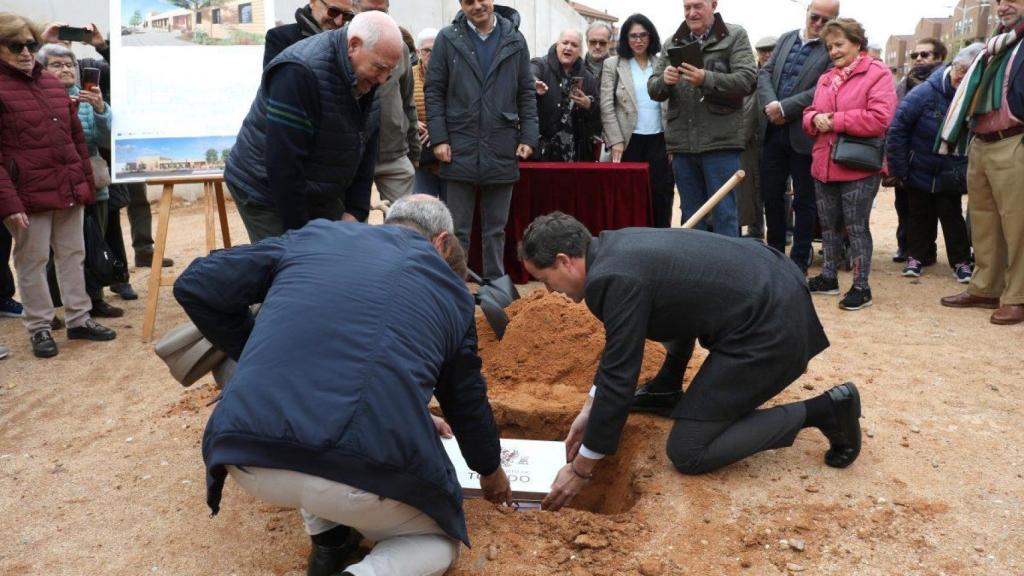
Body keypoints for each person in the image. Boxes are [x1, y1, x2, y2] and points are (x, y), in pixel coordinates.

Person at [174, 195, 510, 576]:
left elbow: (196, 283)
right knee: (438, 543)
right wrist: (489, 469)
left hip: (245, 454)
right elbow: (464, 401)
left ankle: (330, 542)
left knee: (318, 417)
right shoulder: (451, 294)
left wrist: (253, 351)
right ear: (441, 242)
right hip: (354, 472)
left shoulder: (315, 237)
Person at [517, 213, 861, 512]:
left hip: (771, 330)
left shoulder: (612, 278)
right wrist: (590, 409)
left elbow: (621, 373)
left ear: (564, 260)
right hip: (770, 290)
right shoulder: (612, 248)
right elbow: (626, 345)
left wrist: (581, 469)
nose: (549, 292)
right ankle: (667, 388)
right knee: (658, 309)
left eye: (545, 280)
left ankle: (825, 410)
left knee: (688, 449)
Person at [224, 11, 403, 242]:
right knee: (290, 263)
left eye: (390, 70)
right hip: (266, 188)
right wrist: (301, 238)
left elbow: (365, 146)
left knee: (336, 255)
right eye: (380, 68)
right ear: (354, 46)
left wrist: (355, 211)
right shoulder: (299, 72)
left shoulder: (370, 74)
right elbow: (283, 164)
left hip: (320, 186)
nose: (383, 80)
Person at [0, 13, 117, 358]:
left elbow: (76, 141)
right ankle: (39, 327)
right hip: (27, 196)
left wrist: (84, 184)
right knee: (31, 262)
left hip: (68, 189)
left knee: (73, 255)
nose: (25, 51)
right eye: (15, 45)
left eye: (31, 44)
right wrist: (9, 203)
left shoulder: (53, 85)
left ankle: (79, 320)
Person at [424, 0, 539, 280]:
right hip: (458, 145)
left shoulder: (515, 39)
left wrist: (529, 135)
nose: (477, 6)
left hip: (502, 142)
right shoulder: (447, 38)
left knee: (495, 230)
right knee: (458, 229)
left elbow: (526, 90)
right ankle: (455, 287)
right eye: (468, 1)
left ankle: (494, 288)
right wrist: (439, 138)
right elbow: (434, 90)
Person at [938, 0, 1024, 326]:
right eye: (999, 1)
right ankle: (986, 287)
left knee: (1018, 226)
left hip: (1014, 140)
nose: (1003, 6)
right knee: (983, 221)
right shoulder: (997, 45)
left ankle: (1017, 296)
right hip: (982, 142)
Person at [803, 18, 896, 311]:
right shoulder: (826, 77)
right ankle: (829, 277)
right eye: (830, 46)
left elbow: (880, 118)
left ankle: (861, 286)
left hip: (858, 164)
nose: (833, 51)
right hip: (825, 161)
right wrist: (812, 119)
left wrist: (833, 120)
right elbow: (809, 112)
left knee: (856, 227)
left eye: (839, 44)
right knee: (828, 225)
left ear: (857, 43)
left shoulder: (877, 73)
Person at [648, 0, 757, 237]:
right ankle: (695, 272)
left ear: (713, 5)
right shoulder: (671, 43)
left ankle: (728, 273)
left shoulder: (735, 35)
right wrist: (663, 81)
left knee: (725, 215)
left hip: (721, 143)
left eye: (698, 6)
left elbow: (747, 80)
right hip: (683, 145)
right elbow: (653, 90)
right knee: (691, 215)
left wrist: (706, 79)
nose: (691, 12)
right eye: (687, 7)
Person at [37, 43, 123, 319]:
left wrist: (100, 111)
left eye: (69, 65)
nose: (65, 70)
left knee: (93, 244)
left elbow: (107, 140)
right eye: (56, 65)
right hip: (53, 185)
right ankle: (54, 304)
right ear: (42, 69)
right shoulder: (36, 99)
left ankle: (94, 299)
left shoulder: (88, 99)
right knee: (53, 250)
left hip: (91, 183)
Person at [886, 44, 982, 283]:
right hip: (919, 167)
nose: (962, 77)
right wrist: (900, 169)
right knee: (918, 215)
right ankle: (915, 257)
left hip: (950, 171)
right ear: (954, 65)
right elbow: (898, 129)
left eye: (969, 73)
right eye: (961, 70)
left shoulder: (973, 94)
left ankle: (960, 262)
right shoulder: (924, 92)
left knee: (952, 216)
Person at [757, 0, 839, 271]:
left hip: (805, 135)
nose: (818, 24)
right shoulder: (786, 39)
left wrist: (784, 108)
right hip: (773, 133)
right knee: (771, 196)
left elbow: (821, 90)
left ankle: (799, 261)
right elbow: (765, 74)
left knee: (805, 200)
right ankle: (775, 257)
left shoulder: (831, 50)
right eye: (815, 17)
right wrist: (772, 106)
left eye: (825, 21)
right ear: (807, 13)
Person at [599, 14, 674, 228]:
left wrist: (673, 143)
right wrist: (616, 140)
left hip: (660, 140)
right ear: (625, 38)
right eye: (633, 36)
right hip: (628, 142)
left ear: (650, 37)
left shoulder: (662, 64)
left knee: (661, 195)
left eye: (643, 35)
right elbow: (606, 105)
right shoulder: (613, 64)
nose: (638, 40)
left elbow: (671, 104)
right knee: (629, 198)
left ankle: (661, 241)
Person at [890, 37, 948, 264]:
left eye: (925, 55)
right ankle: (906, 247)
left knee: (934, 208)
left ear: (939, 58)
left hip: (934, 156)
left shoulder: (946, 82)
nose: (919, 59)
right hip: (906, 154)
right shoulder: (904, 84)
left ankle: (928, 250)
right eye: (915, 55)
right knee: (904, 205)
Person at [357, 0, 420, 204]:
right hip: (353, 155)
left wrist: (414, 150)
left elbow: (407, 101)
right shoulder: (343, 45)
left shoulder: (399, 48)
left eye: (381, 11)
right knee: (352, 227)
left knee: (404, 226)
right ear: (355, 9)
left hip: (394, 154)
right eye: (368, 11)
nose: (376, 17)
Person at [531, 29, 600, 162]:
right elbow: (529, 74)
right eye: (565, 43)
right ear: (557, 45)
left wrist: (589, 104)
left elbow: (598, 113)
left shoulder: (588, 76)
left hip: (575, 154)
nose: (568, 47)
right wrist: (534, 82)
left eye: (574, 45)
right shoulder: (541, 64)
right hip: (543, 152)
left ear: (580, 50)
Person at [737, 34, 777, 240]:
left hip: (777, 139)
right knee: (753, 185)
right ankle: (755, 228)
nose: (767, 54)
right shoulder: (751, 76)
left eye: (771, 49)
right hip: (753, 140)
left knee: (779, 189)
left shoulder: (781, 75)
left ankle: (785, 229)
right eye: (763, 51)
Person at [264, 0, 356, 66]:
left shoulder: (350, 42)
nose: (339, 22)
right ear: (313, 2)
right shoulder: (280, 37)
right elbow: (276, 86)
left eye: (347, 15)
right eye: (334, 11)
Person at [412, 27, 445, 199]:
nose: (431, 54)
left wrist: (437, 129)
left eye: (436, 50)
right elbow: (398, 108)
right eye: (427, 50)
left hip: (449, 155)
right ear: (418, 52)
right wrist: (411, 121)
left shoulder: (454, 75)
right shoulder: (408, 77)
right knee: (422, 211)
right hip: (421, 158)